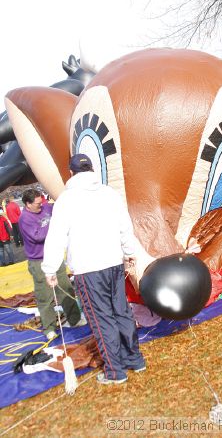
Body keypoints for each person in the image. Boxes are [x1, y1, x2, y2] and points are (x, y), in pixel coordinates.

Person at [41, 154, 145, 385]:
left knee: (101, 319)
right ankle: (135, 359)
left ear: (71, 173)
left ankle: (115, 371)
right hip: (113, 263)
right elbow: (124, 227)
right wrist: (129, 253)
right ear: (92, 170)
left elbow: (57, 237)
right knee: (122, 311)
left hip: (88, 270)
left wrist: (50, 269)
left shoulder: (66, 200)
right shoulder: (109, 194)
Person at [19, 189, 84, 340]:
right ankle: (49, 328)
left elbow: (60, 208)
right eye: (37, 204)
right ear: (28, 204)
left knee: (65, 288)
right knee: (45, 296)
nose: (41, 206)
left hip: (55, 256)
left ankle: (74, 319)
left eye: (41, 202)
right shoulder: (25, 219)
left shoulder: (46, 207)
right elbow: (38, 236)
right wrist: (56, 228)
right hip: (39, 261)